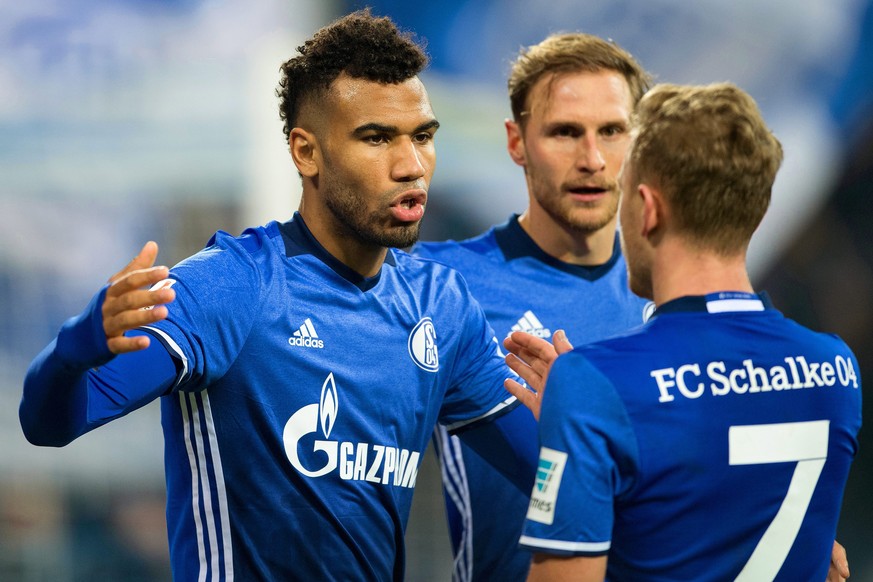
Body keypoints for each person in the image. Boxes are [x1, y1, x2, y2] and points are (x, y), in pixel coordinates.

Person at [19, 10, 541, 580]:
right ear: (305, 153)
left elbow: (549, 473)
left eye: (422, 137)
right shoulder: (231, 287)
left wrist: (577, 420)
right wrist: (78, 347)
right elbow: (49, 425)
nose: (411, 165)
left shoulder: (439, 307)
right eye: (376, 138)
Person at [504, 82, 862, 580]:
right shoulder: (836, 368)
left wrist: (583, 428)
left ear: (648, 208)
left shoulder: (595, 382)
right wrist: (591, 437)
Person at [412, 33, 653, 581]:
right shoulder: (441, 285)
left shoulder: (675, 295)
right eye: (565, 132)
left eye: (612, 131)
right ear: (516, 142)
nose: (592, 159)